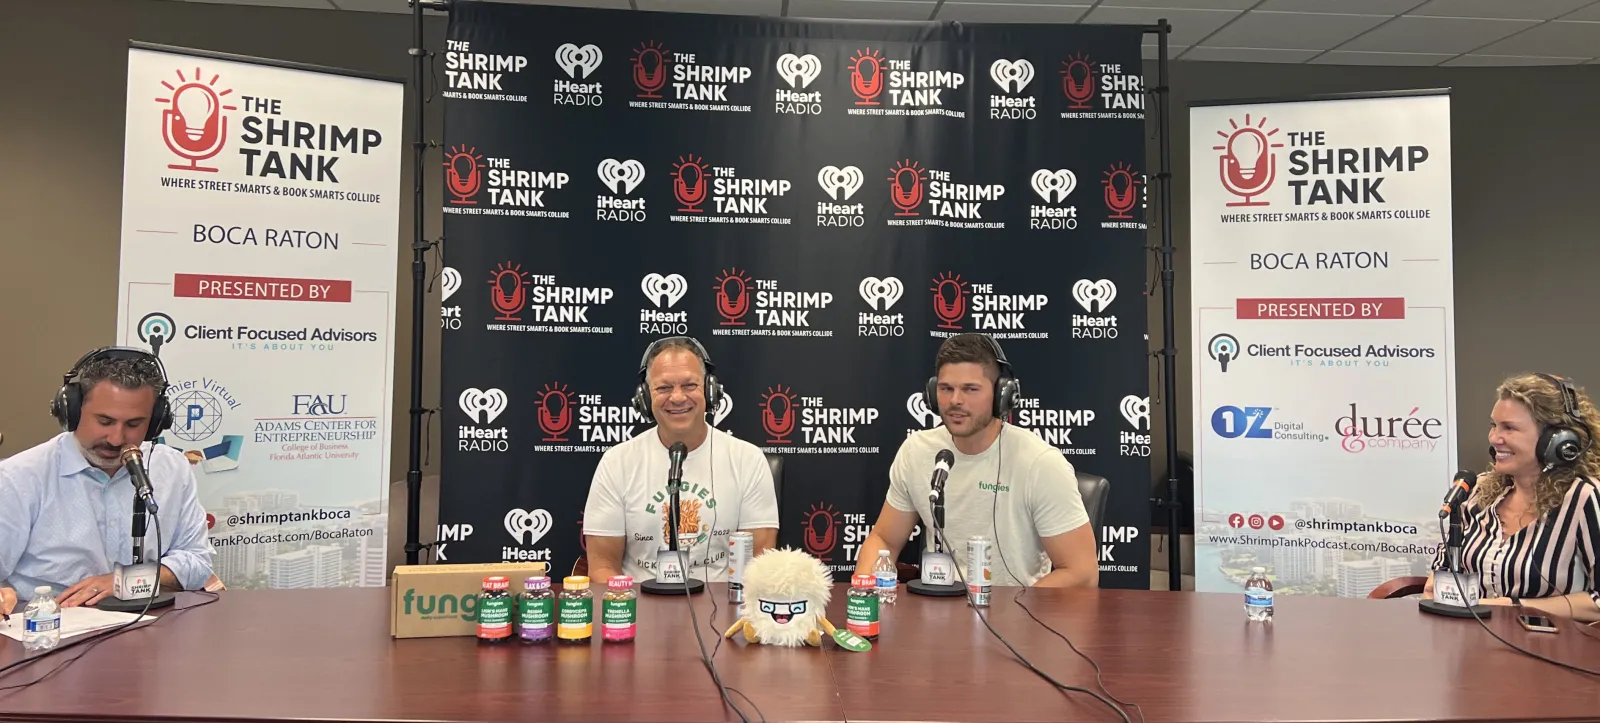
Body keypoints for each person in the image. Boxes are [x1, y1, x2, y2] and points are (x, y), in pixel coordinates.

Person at [854, 333, 1097, 587]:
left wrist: (1014, 614)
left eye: (970, 389)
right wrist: (865, 597)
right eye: (946, 389)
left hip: (1016, 618)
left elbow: (1081, 573)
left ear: (1001, 395)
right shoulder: (916, 452)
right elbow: (884, 540)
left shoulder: (1040, 463)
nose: (955, 400)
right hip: (937, 614)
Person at [0, 347, 215, 617]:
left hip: (150, 634)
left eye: (134, 424)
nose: (116, 438)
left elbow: (197, 561)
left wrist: (123, 582)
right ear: (72, 412)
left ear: (155, 422)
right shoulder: (18, 478)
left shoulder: (171, 469)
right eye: (104, 421)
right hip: (51, 633)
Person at [582, 336, 778, 583]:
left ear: (710, 390)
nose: (677, 397)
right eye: (663, 388)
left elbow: (760, 567)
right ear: (644, 397)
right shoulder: (616, 463)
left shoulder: (747, 460)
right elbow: (602, 569)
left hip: (722, 615)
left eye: (689, 385)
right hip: (640, 611)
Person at [1423, 373, 1600, 622]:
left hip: (1552, 651)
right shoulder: (1477, 492)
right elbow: (1444, 568)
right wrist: (1437, 583)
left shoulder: (1585, 499)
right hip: (1473, 645)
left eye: (1509, 428)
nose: (1494, 438)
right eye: (1493, 425)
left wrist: (1514, 606)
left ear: (1558, 440)